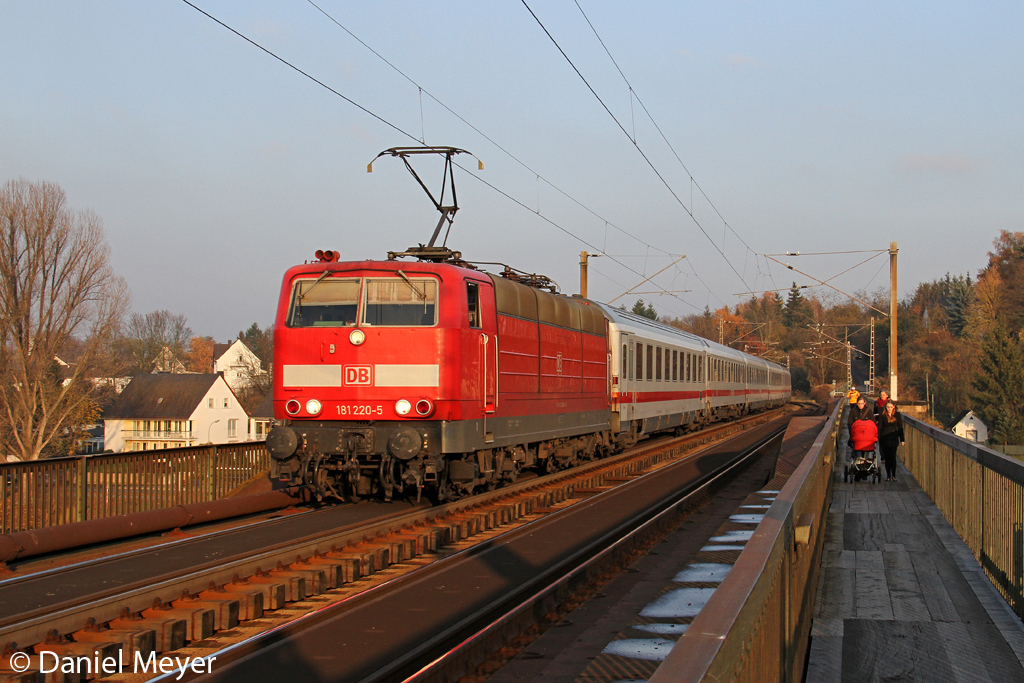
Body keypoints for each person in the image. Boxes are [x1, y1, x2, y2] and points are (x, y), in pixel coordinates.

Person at [877, 401, 905, 481]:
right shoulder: (882, 416)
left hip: (894, 438)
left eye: (891, 407)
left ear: (894, 407)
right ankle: (888, 475)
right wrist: (878, 438)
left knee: (893, 457)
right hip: (885, 439)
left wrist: (902, 439)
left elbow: (900, 427)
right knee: (887, 458)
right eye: (888, 407)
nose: (889, 409)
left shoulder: (897, 415)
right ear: (886, 408)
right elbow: (879, 428)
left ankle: (894, 475)